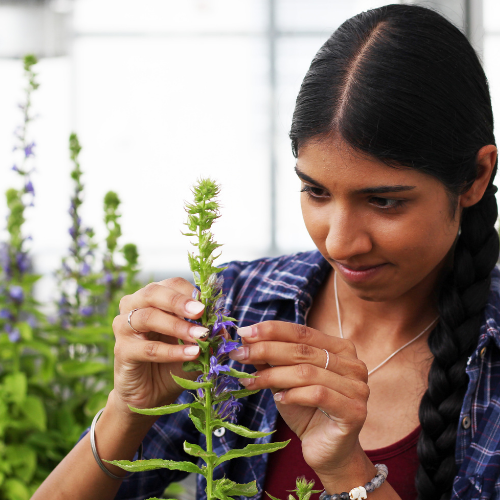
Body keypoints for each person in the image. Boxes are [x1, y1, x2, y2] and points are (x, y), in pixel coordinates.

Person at [33, 4, 500, 500]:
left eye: (384, 201)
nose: (340, 242)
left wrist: (347, 469)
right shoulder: (239, 305)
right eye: (316, 192)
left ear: (474, 178)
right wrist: (128, 410)